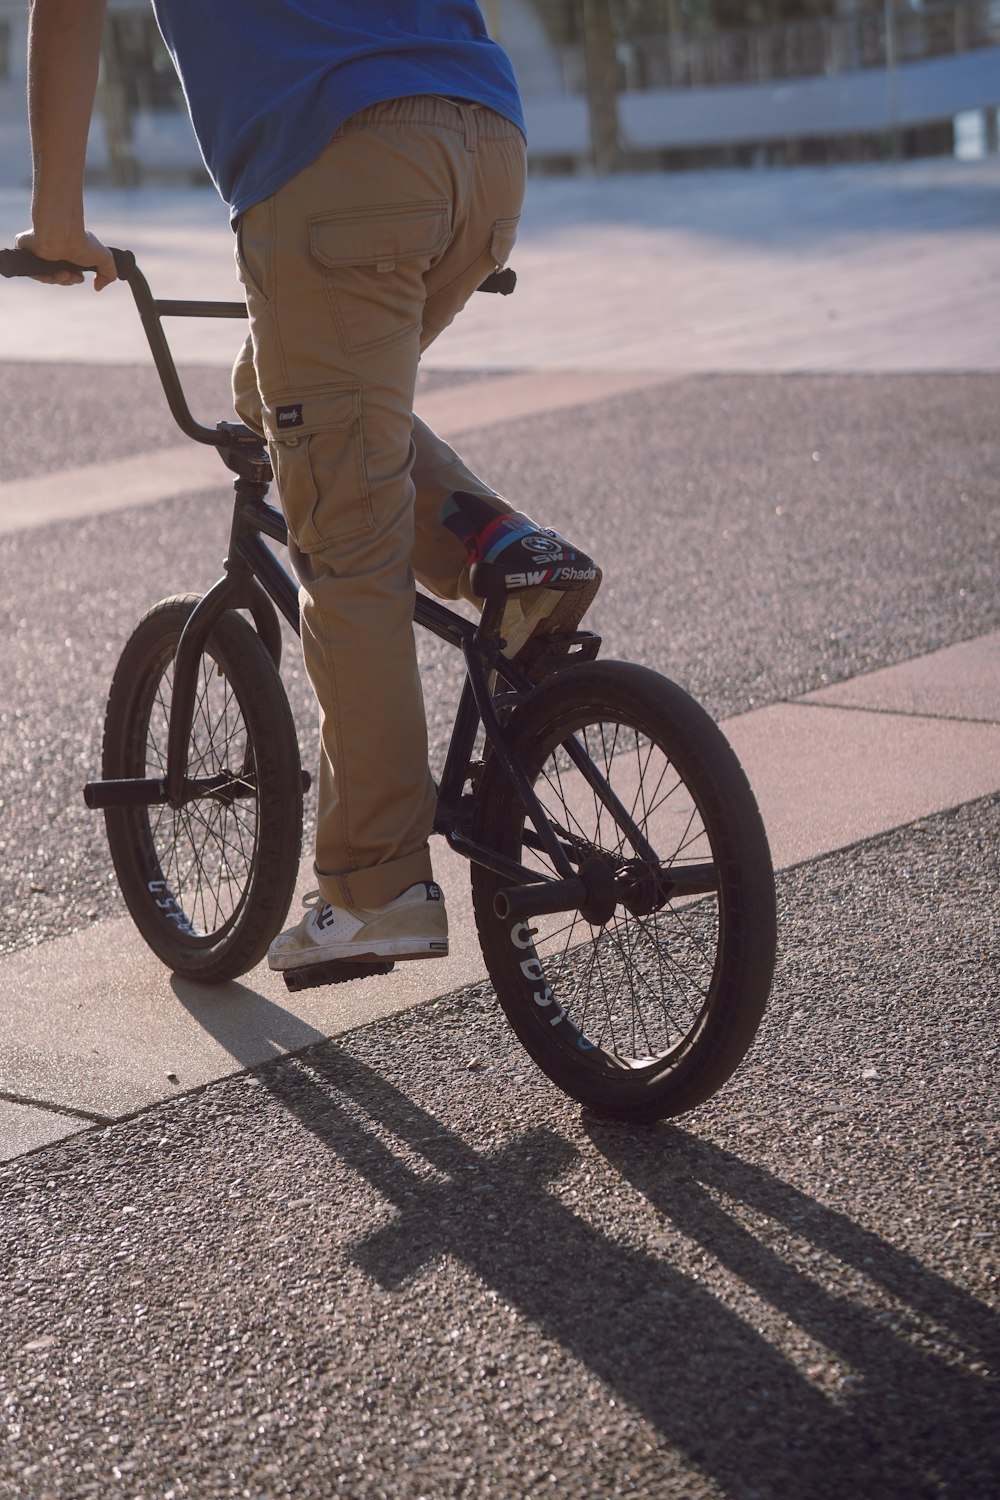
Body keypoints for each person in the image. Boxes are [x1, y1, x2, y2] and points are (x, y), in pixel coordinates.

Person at [19, 0, 600, 980]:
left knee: (347, 549)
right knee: (292, 400)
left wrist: (59, 225)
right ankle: (496, 549)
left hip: (340, 165)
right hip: (484, 142)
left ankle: (374, 889)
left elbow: (68, 10)